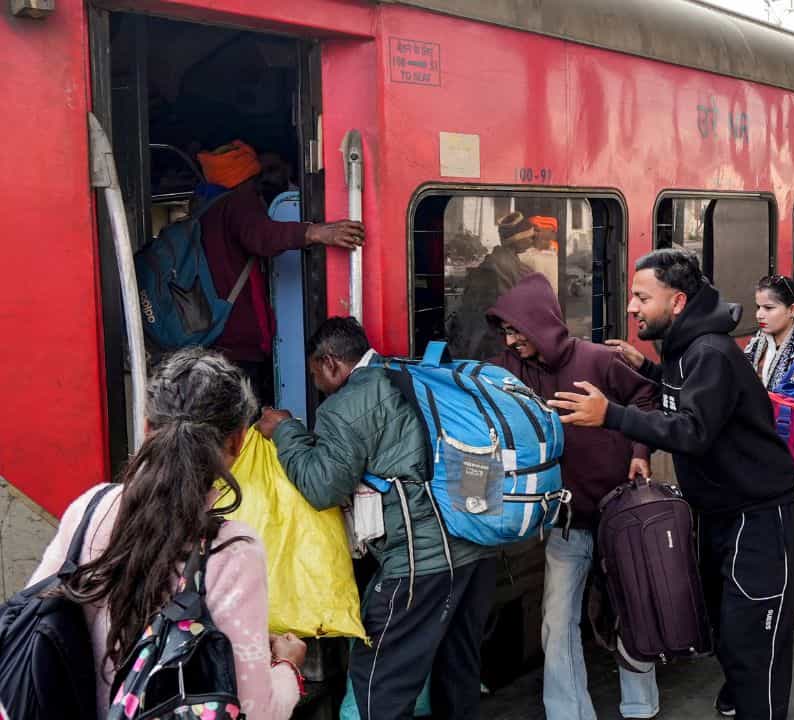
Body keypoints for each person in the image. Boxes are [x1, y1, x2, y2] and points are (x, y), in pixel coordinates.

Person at [549, 249, 794, 720]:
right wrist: (644, 370)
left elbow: (692, 429)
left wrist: (613, 415)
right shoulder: (687, 349)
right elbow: (686, 394)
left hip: (756, 517)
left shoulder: (710, 352)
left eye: (643, 297)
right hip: (722, 513)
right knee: (728, 631)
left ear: (678, 301)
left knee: (754, 643)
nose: (632, 308)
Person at [31, 349, 305, 719]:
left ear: (146, 427)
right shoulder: (231, 551)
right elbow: (255, 710)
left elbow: (35, 621)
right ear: (237, 442)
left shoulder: (89, 508)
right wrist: (288, 668)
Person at [258, 318, 493, 720]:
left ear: (331, 363)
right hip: (472, 546)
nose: (317, 387)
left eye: (316, 375)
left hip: (420, 562)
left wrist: (285, 430)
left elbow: (321, 487)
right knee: (457, 674)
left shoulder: (347, 405)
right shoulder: (406, 373)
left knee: (376, 686)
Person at [484, 273, 661, 720]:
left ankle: (640, 705)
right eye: (505, 332)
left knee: (629, 608)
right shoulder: (508, 368)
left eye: (517, 331)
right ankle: (568, 713)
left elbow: (645, 397)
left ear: (540, 323)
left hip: (618, 511)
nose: (511, 340)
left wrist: (640, 452)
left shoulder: (597, 360)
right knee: (556, 621)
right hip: (564, 519)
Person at [196, 140, 365, 403]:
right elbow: (262, 236)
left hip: (215, 334)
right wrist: (316, 232)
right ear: (247, 177)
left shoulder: (207, 209)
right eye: (258, 176)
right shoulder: (239, 202)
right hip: (238, 339)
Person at [744, 274, 794, 623]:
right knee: (783, 532)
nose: (760, 315)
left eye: (769, 307)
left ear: (792, 310)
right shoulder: (760, 343)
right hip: (769, 449)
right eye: (758, 307)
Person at [448, 211, 538, 360]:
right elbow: (511, 304)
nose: (531, 240)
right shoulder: (503, 264)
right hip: (492, 339)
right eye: (528, 237)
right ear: (516, 240)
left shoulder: (505, 260)